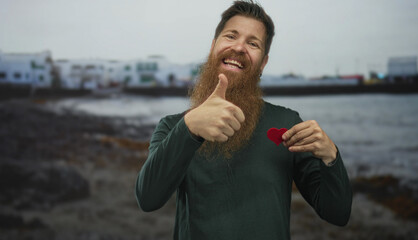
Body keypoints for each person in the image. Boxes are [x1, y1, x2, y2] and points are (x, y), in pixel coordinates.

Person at [135, 1, 352, 239]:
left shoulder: (287, 123)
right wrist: (190, 128)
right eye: (231, 36)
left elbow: (337, 214)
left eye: (253, 43)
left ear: (263, 62)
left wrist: (331, 157)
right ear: (212, 47)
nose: (239, 47)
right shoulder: (173, 126)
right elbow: (148, 199)